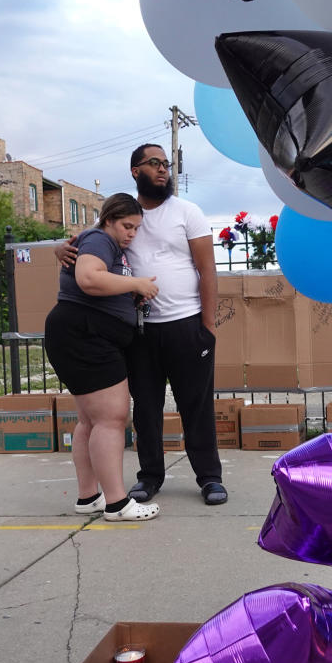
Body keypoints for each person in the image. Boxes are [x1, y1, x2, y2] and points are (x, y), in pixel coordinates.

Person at [56, 144, 227, 506]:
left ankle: (210, 478)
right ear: (135, 171)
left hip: (187, 324)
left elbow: (207, 269)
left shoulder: (187, 212)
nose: (164, 170)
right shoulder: (123, 215)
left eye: (167, 164)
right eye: (155, 163)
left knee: (196, 404)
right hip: (140, 331)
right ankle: (149, 477)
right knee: (145, 408)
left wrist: (207, 326)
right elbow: (85, 244)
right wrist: (60, 248)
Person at [44, 193, 160, 521]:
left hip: (80, 333)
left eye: (136, 229)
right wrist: (135, 283)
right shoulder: (99, 239)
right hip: (86, 335)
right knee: (111, 418)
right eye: (127, 226)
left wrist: (127, 292)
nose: (131, 234)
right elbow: (89, 278)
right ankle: (117, 504)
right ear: (108, 219)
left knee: (90, 421)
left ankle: (89, 496)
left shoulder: (101, 242)